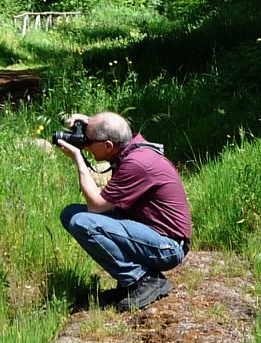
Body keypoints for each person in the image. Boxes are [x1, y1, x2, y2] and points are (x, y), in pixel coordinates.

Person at [57, 111, 192, 312]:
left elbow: (95, 205)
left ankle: (142, 280)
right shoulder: (131, 148)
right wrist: (89, 123)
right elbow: (111, 129)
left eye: (89, 141)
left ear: (108, 146)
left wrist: (78, 157)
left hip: (168, 247)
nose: (85, 144)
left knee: (82, 222)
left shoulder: (136, 163)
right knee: (70, 213)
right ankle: (130, 282)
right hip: (149, 233)